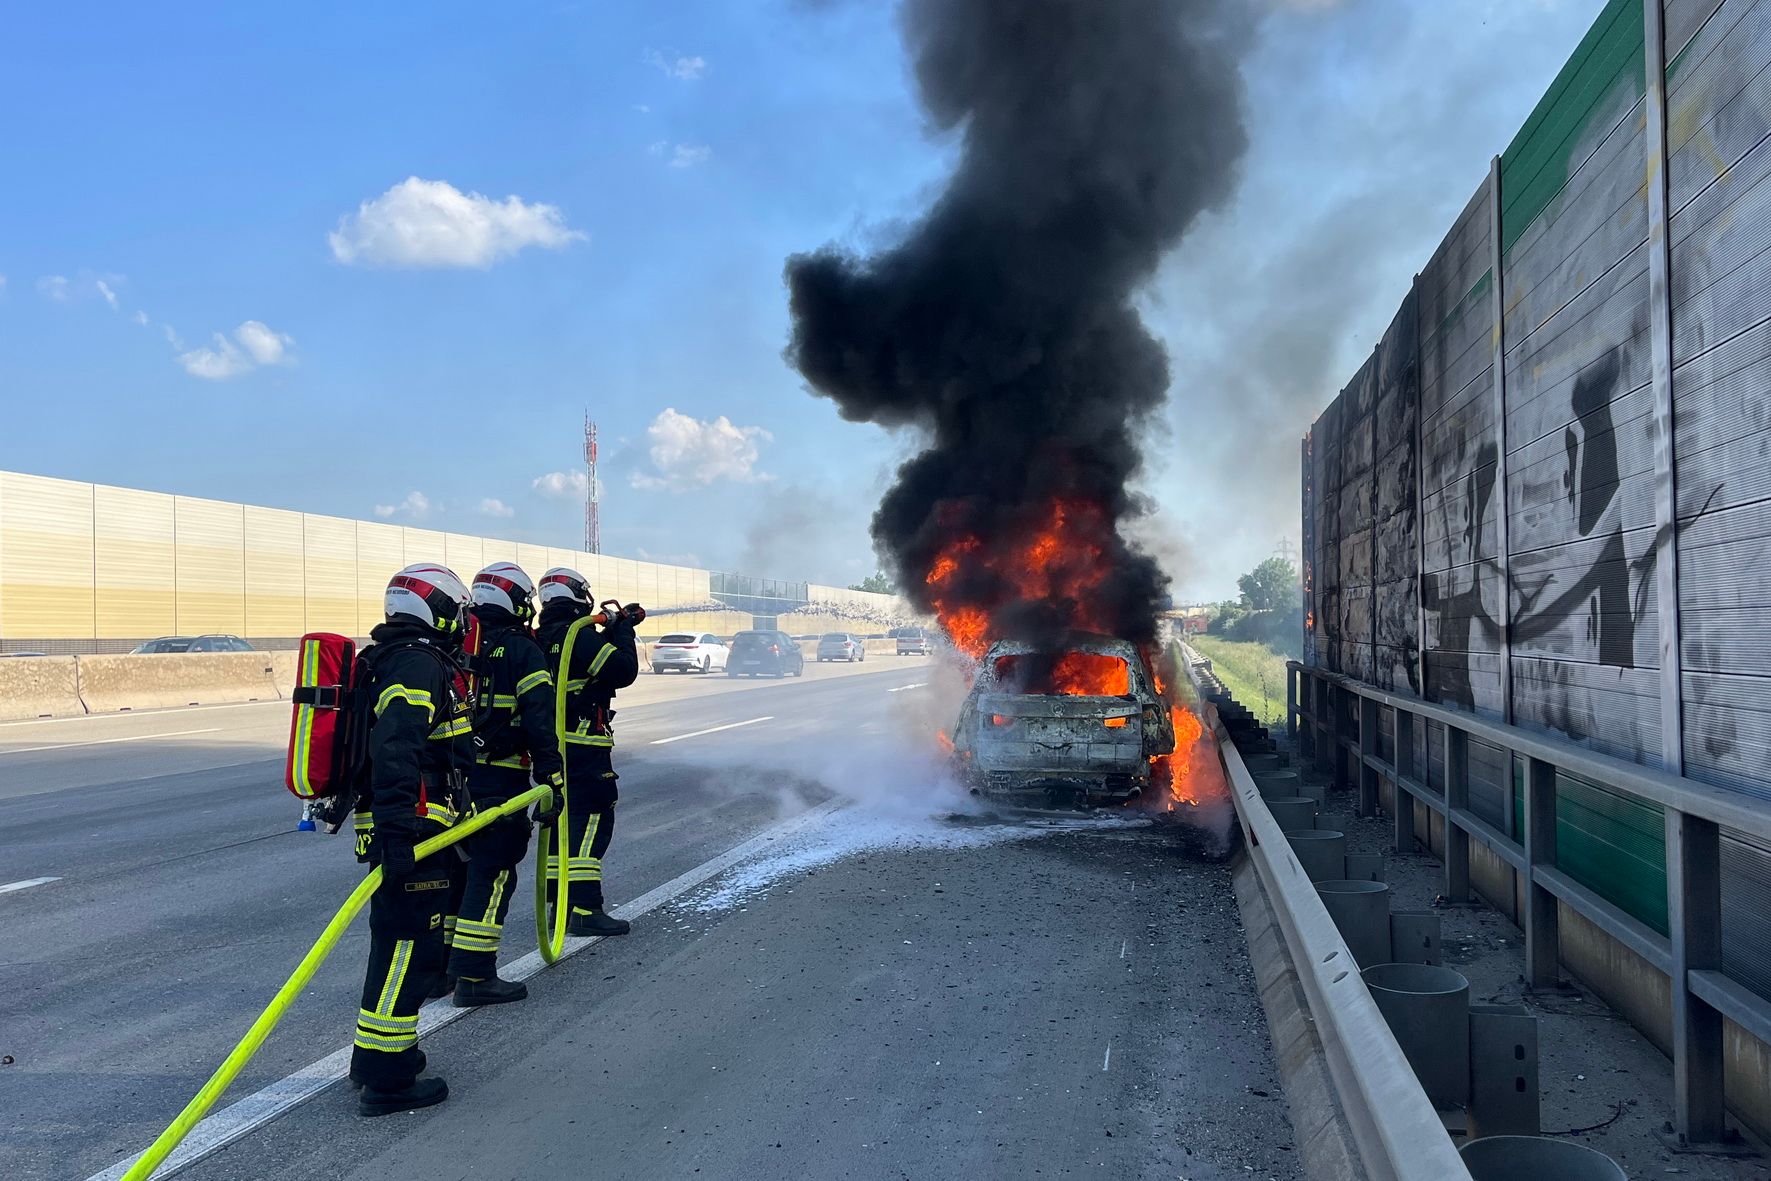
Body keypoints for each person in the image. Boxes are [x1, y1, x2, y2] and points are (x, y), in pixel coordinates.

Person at [349, 563, 475, 1117]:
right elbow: (398, 747)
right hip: (412, 825)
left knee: (392, 944)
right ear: (440, 610)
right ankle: (388, 1081)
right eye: (458, 612)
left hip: (408, 823)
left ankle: (369, 1059)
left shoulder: (390, 657)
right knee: (409, 948)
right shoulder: (418, 664)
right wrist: (400, 835)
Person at [445, 562, 565, 1006]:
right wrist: (551, 776)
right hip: (503, 774)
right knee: (494, 871)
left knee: (459, 868)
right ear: (516, 600)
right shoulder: (521, 648)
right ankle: (475, 976)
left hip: (454, 777)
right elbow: (538, 716)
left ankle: (446, 968)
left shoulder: (456, 643)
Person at [535, 568, 640, 937]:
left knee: (561, 824)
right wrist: (624, 631)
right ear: (580, 596)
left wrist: (610, 631)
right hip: (584, 747)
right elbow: (622, 670)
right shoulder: (577, 636)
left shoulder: (540, 636)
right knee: (592, 820)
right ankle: (583, 908)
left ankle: (557, 904)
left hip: (551, 748)